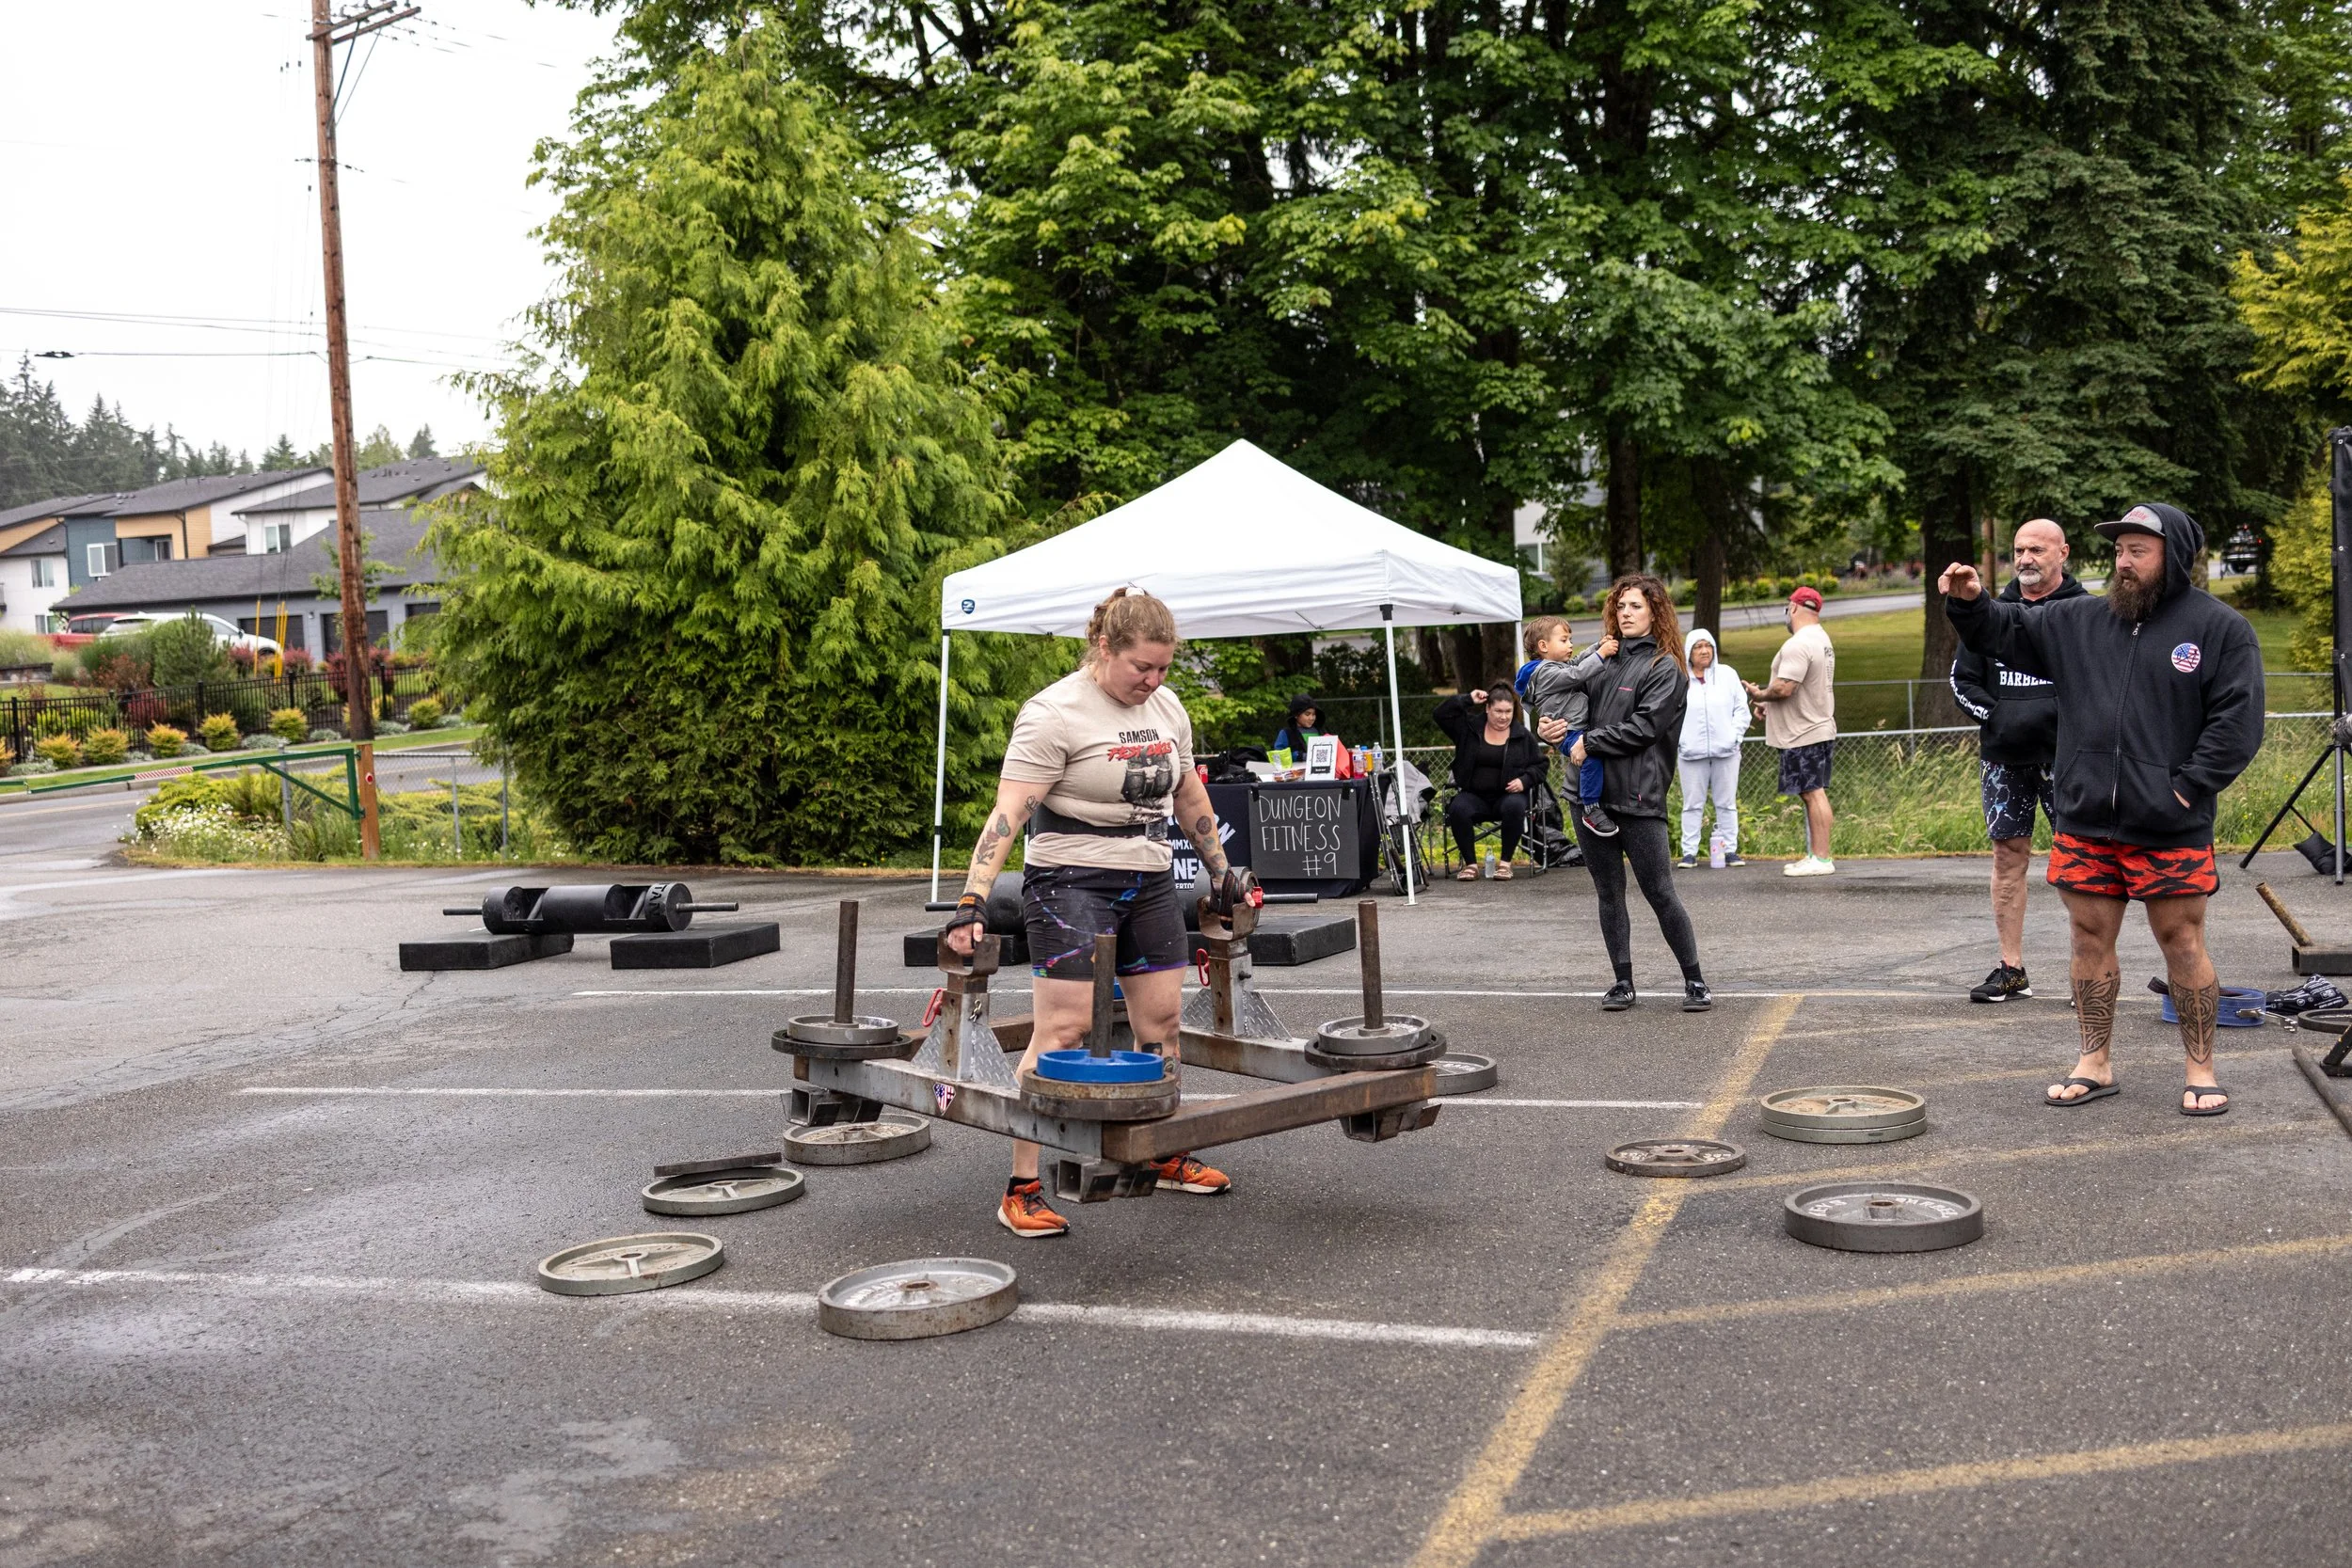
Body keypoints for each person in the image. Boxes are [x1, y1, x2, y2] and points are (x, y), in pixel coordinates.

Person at [944, 587, 1258, 1238]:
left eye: (1164, 667)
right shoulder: (1053, 712)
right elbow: (1010, 812)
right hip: (1070, 878)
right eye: (1141, 666)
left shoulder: (1167, 706)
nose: (1154, 679)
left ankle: (1160, 1148)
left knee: (1162, 1022)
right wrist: (971, 898)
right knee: (1062, 1028)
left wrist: (1221, 870)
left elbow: (1189, 792)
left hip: (1146, 875)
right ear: (1105, 647)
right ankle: (1021, 1184)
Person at [1943, 502, 2264, 1115]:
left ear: (2173, 556)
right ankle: (2095, 1060)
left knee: (2183, 941)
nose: (2123, 561)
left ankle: (2201, 1068)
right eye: (2118, 550)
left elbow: (2237, 724)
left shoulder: (2219, 629)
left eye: (2137, 549)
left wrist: (2186, 788)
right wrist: (1972, 600)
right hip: (2087, 818)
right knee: (2088, 938)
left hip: (2169, 822)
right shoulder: (2081, 621)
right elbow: (2004, 630)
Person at [1538, 575, 1712, 1011]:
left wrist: (1589, 742)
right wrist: (1549, 728)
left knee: (1659, 891)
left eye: (1635, 606)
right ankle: (1622, 982)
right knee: (1608, 892)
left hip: (1638, 796)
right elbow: (1561, 702)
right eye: (1620, 607)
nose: (1626, 613)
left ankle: (1695, 981)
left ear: (1655, 611)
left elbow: (1645, 729)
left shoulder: (1665, 667)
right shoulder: (1598, 661)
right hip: (1586, 796)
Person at [1949, 518, 2086, 1002]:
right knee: (2008, 859)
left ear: (2063, 553)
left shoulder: (2085, 613)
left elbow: (2102, 684)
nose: (2026, 558)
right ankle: (2011, 969)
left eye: (2037, 550)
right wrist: (1998, 715)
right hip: (2005, 758)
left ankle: (2085, 973)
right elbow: (1961, 681)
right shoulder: (1992, 612)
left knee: (2078, 862)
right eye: (2018, 550)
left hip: (2068, 759)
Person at [1744, 586, 1837, 876]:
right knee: (1812, 792)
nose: (1787, 613)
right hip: (1814, 726)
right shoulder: (1821, 639)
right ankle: (1815, 855)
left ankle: (1821, 859)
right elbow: (1803, 688)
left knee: (1813, 792)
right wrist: (1769, 707)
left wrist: (1759, 696)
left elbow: (1786, 687)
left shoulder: (1798, 643)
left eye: (1787, 608)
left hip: (1804, 732)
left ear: (1795, 608)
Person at [1434, 685, 1547, 879]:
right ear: (1487, 708)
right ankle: (1470, 865)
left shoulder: (1522, 736)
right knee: (1458, 808)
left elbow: (1541, 765)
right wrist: (1467, 699)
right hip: (1474, 795)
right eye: (1498, 711)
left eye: (1508, 711)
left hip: (1508, 796)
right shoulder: (1468, 729)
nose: (1503, 717)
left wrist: (1525, 780)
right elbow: (1440, 714)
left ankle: (1504, 864)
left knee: (1515, 806)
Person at [1515, 616, 1609, 834]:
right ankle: (1591, 807)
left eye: (1570, 640)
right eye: (1564, 640)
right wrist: (1602, 655)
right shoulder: (1545, 672)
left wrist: (1597, 646)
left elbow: (1575, 663)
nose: (1570, 645)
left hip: (1577, 728)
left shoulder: (1554, 666)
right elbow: (1577, 674)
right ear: (1543, 646)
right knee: (1591, 757)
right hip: (1570, 732)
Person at [1676, 627, 1750, 868]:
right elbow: (1669, 714)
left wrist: (1734, 736)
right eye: (1698, 647)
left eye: (1708, 646)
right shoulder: (1680, 678)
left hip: (1726, 751)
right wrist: (1680, 741)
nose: (1704, 651)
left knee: (1726, 803)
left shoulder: (1727, 675)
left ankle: (1730, 851)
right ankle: (1689, 853)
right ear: (1689, 652)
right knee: (1692, 804)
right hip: (1690, 753)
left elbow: (1742, 708)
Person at [1272, 693, 1333, 760]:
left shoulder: (1321, 731)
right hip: (1295, 770)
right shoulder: (1286, 733)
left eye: (1314, 714)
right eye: (1307, 714)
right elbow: (1278, 754)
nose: (1311, 718)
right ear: (1296, 715)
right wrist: (1299, 756)